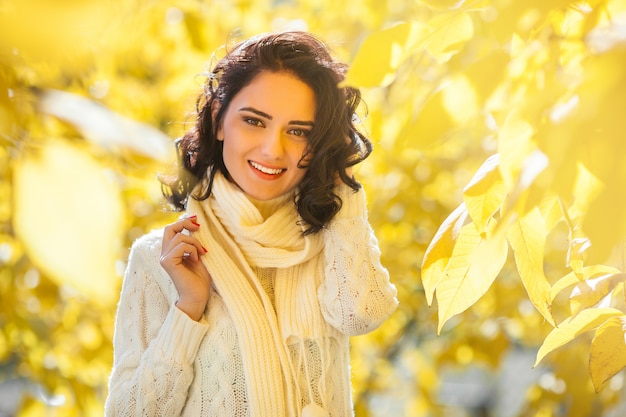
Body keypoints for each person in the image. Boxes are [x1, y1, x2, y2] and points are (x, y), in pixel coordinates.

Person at [104, 31, 398, 417]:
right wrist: (189, 308)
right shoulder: (161, 259)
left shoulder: (334, 240)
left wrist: (342, 190)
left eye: (299, 131)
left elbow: (360, 314)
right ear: (218, 120)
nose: (273, 150)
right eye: (254, 121)